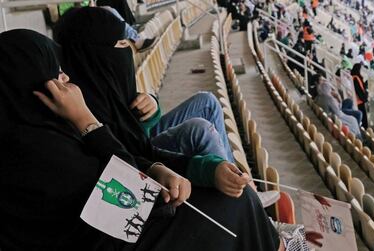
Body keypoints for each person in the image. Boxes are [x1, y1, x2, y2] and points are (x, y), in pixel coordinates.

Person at [0, 29, 292, 251]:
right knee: (234, 207)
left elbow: (120, 157)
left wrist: (154, 168)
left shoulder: (30, 132)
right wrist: (86, 120)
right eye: (55, 72)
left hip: (113, 232)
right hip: (115, 235)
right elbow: (132, 195)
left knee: (233, 202)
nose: (66, 79)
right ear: (32, 86)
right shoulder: (40, 155)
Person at [351, 63, 369, 128]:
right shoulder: (355, 78)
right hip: (359, 101)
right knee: (364, 118)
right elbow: (359, 91)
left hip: (358, 100)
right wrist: (365, 98)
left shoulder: (356, 77)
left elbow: (362, 87)